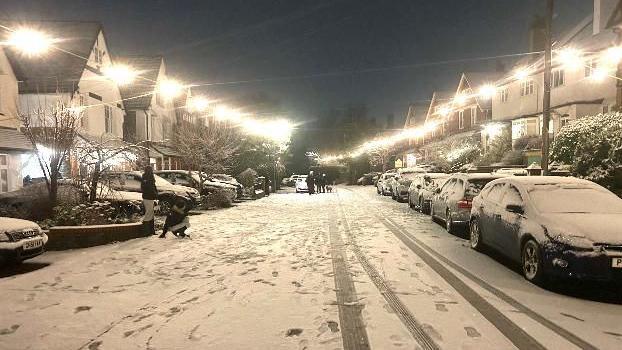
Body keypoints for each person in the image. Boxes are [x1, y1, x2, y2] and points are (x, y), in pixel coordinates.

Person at [141, 165, 158, 235]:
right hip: (147, 197)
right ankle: (146, 231)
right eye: (151, 169)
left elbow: (153, 187)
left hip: (150, 197)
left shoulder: (150, 177)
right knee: (149, 213)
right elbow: (148, 188)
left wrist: (156, 194)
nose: (152, 170)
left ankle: (151, 231)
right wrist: (154, 193)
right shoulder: (146, 177)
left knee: (151, 213)